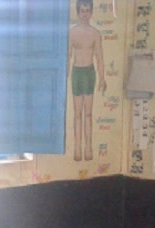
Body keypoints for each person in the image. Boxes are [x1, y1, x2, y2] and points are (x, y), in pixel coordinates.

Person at [68, 0, 106, 161]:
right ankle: (77, 148)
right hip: (77, 72)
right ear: (78, 12)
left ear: (91, 12)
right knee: (77, 113)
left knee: (88, 114)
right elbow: (68, 56)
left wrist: (102, 77)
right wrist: (64, 75)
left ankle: (88, 147)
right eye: (82, 10)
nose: (85, 13)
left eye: (87, 10)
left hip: (89, 73)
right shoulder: (71, 32)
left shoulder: (95, 33)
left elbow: (99, 57)